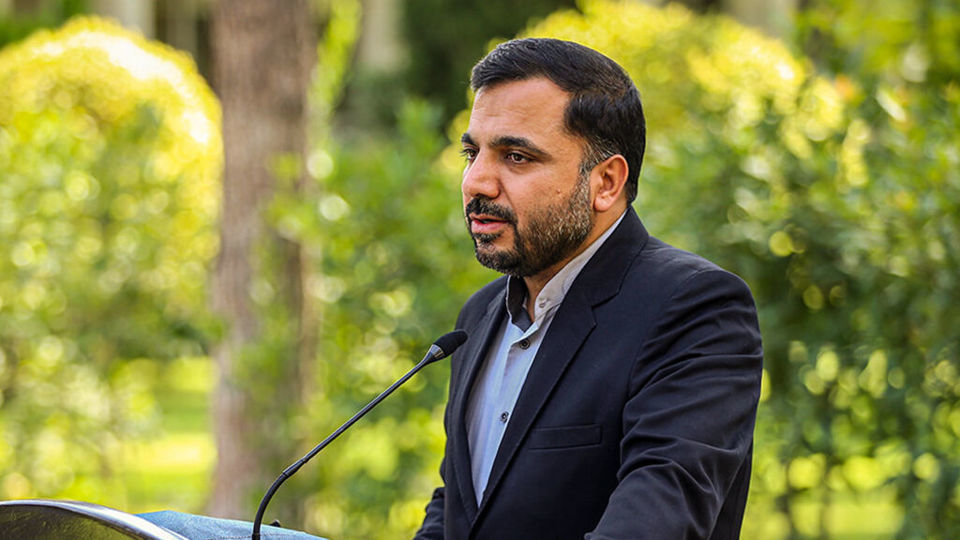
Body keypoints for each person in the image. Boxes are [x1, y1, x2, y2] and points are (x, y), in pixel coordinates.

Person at [415, 38, 763, 539]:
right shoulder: (479, 316)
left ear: (606, 182)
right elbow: (458, 506)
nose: (477, 183)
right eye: (472, 153)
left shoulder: (695, 308)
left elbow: (658, 519)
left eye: (516, 157)